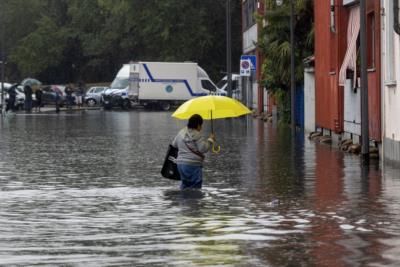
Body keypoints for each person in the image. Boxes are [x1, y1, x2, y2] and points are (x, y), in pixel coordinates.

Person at [172, 114, 215, 189]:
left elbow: (174, 144)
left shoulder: (181, 132)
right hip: (193, 165)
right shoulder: (197, 134)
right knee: (195, 188)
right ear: (198, 125)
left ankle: (182, 200)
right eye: (201, 125)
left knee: (185, 185)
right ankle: (194, 201)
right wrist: (210, 140)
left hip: (180, 165)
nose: (201, 128)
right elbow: (203, 149)